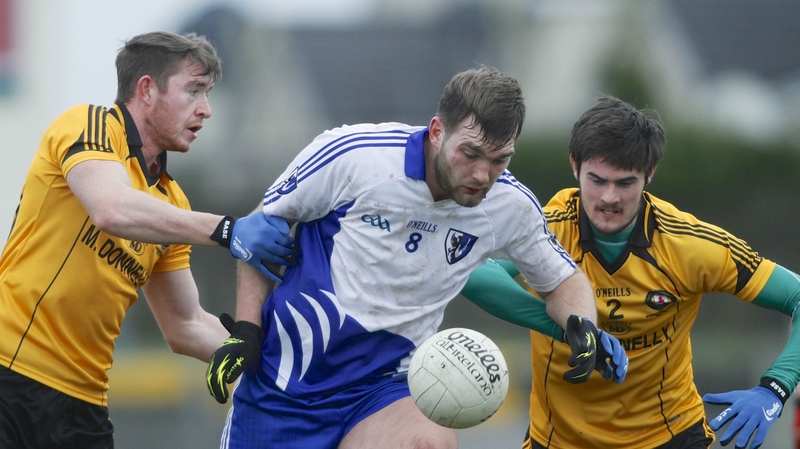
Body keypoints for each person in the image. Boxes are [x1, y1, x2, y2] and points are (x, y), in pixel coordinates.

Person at [204, 66, 628, 449]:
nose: (483, 175)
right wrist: (247, 332)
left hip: (386, 385)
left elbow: (561, 279)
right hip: (287, 382)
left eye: (500, 160)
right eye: (471, 154)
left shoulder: (509, 204)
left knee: (428, 444)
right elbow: (261, 232)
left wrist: (582, 324)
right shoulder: (355, 156)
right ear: (438, 130)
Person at [0, 31, 294, 448]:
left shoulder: (171, 202)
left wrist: (272, 363)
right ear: (147, 90)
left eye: (207, 94)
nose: (206, 110)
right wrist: (228, 230)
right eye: (193, 91)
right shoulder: (90, 124)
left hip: (83, 406)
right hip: (9, 375)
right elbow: (111, 209)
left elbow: (185, 324)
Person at [462, 94, 800, 449]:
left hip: (670, 437)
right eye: (597, 180)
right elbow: (470, 271)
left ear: (649, 174)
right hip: (558, 441)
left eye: (625, 183)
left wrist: (775, 387)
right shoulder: (547, 226)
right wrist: (570, 329)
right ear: (574, 166)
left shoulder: (689, 246)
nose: (609, 197)